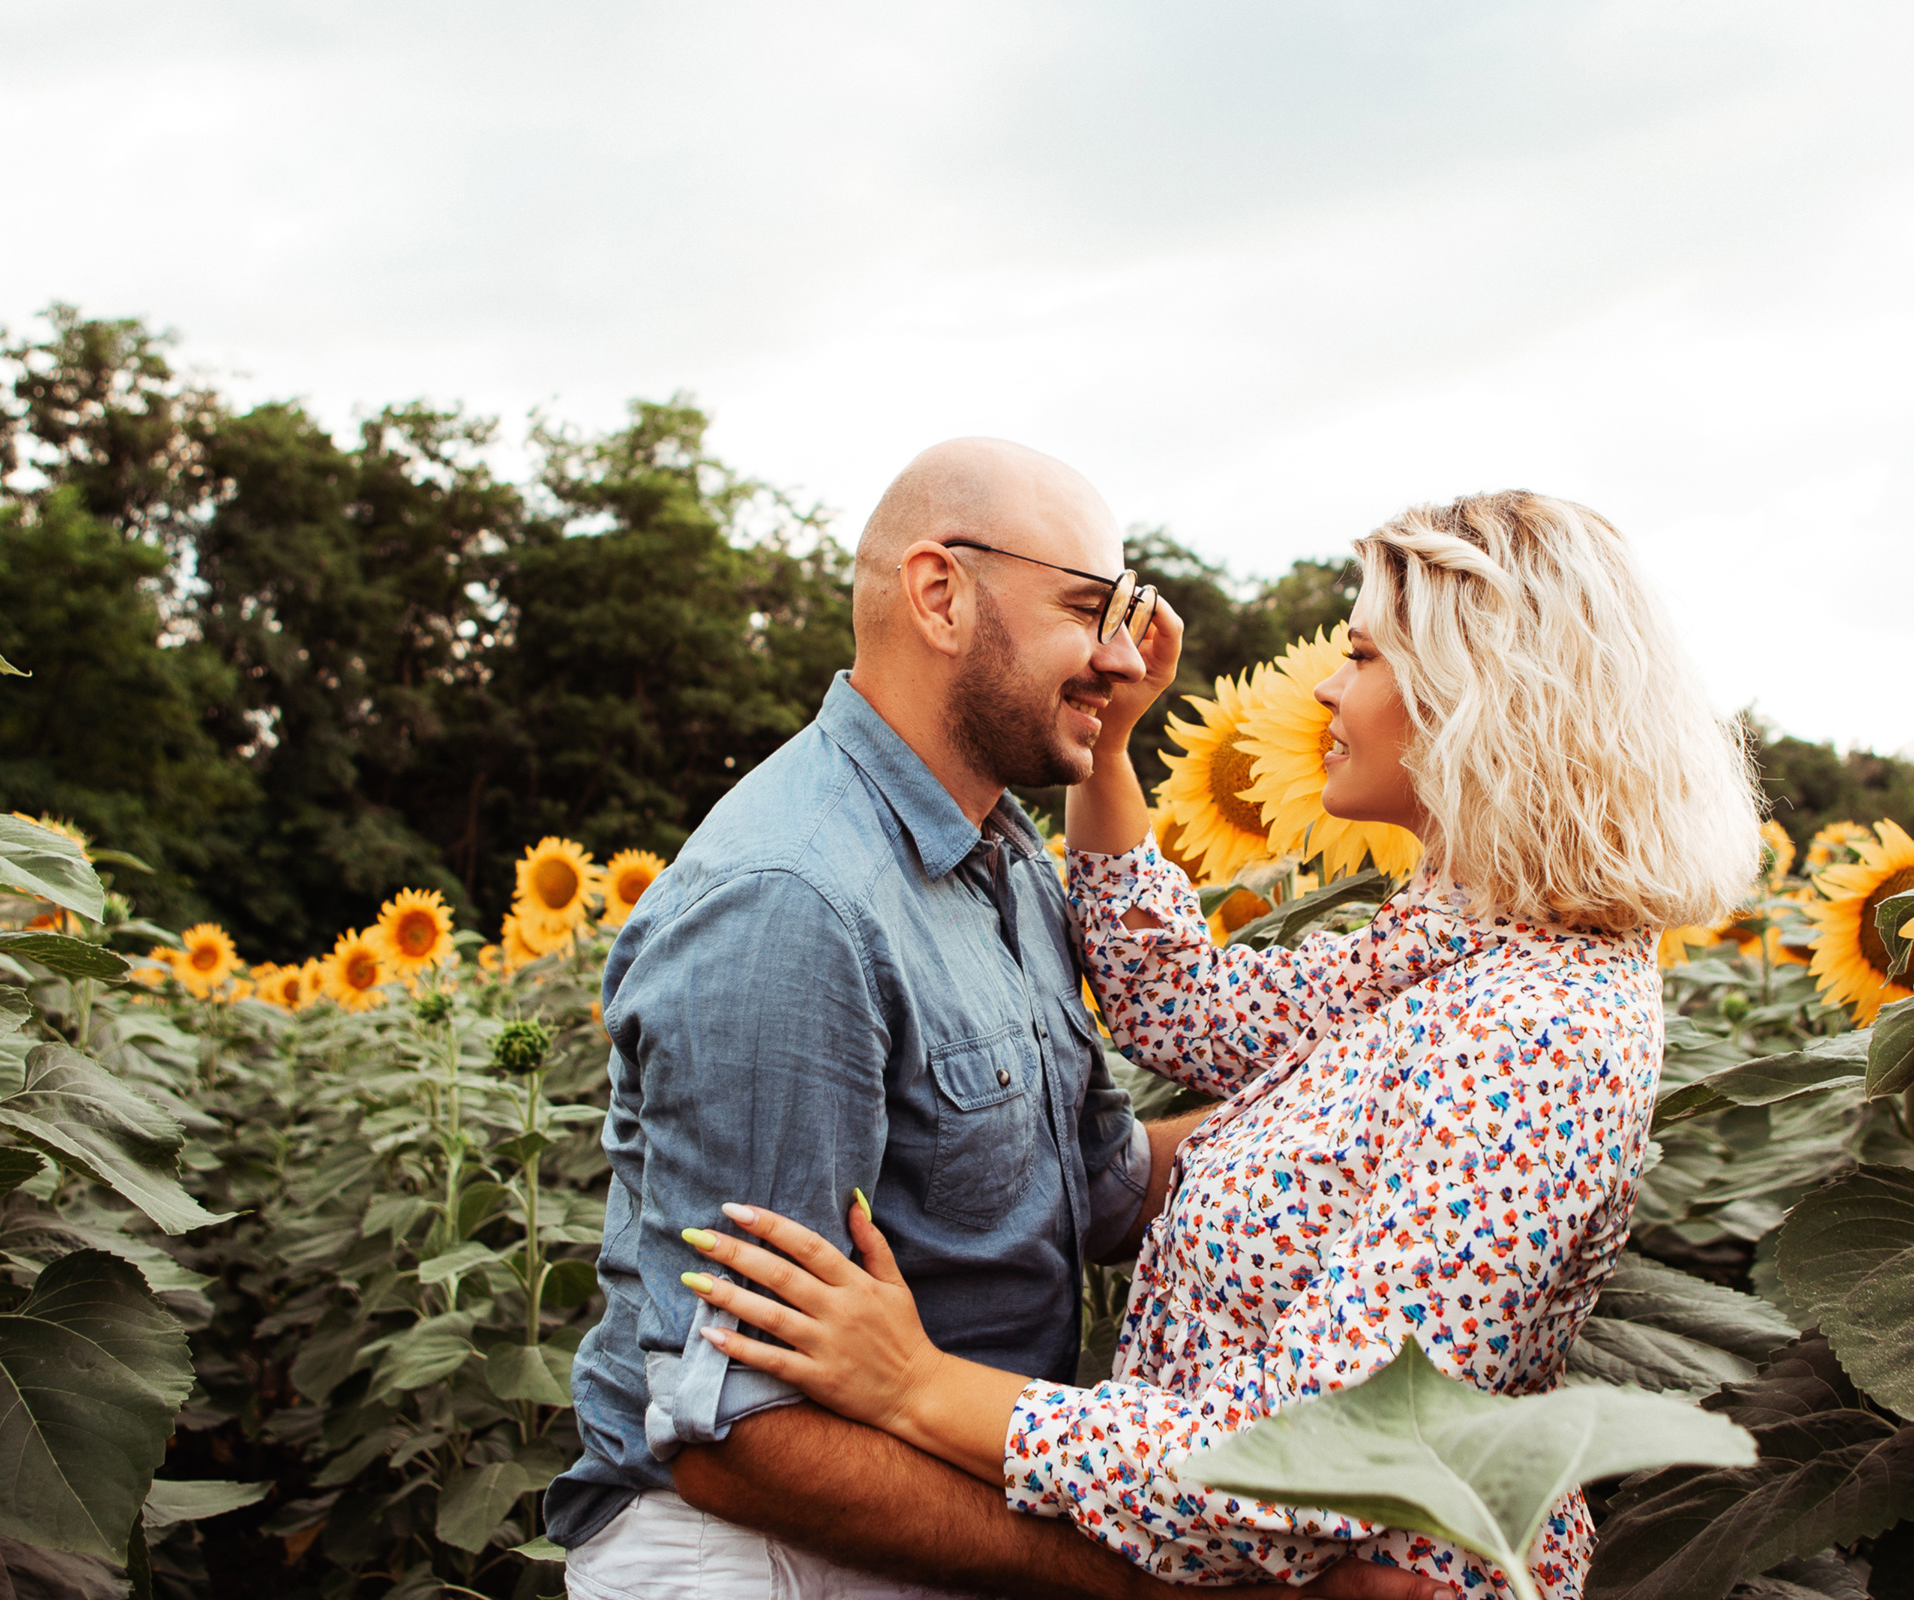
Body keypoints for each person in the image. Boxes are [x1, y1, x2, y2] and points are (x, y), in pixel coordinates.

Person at [676, 491, 1763, 1599]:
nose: (1328, 687)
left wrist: (917, 1387)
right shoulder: (1460, 935)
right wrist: (1110, 749)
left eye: (1362, 656)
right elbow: (1178, 1004)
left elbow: (1317, 1464)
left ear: (1478, 695)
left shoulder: (1543, 1036)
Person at [549, 440, 1455, 1600]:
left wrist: (1407, 1101)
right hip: (770, 1555)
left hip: (942, 1503)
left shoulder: (1002, 853)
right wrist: (1170, 1590)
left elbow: (1104, 1189)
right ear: (941, 597)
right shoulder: (792, 902)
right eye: (1088, 609)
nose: (1124, 656)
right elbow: (734, 1435)